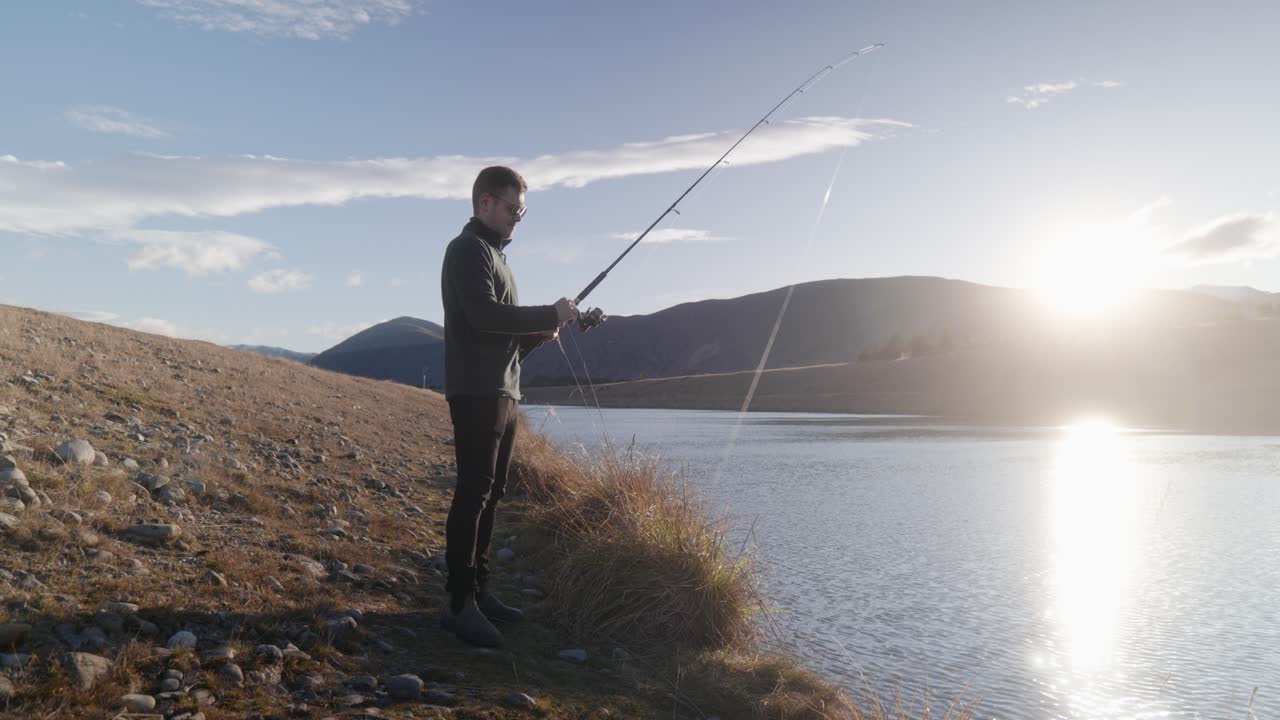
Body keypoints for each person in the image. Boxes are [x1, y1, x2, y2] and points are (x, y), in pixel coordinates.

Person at [438, 165, 577, 647]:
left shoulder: (497, 257)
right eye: (513, 209)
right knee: (472, 492)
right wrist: (548, 313)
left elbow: (504, 340)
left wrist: (539, 333)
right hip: (477, 393)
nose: (518, 218)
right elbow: (482, 316)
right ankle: (459, 605)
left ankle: (479, 590)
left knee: (492, 493)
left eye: (523, 211)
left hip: (503, 391)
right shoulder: (467, 251)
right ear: (485, 203)